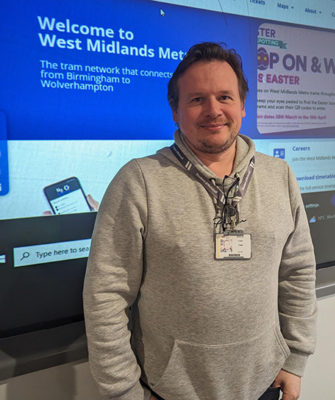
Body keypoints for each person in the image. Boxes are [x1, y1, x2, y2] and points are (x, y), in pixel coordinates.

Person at [83, 42, 317, 400]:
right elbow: (105, 295)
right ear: (175, 110)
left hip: (266, 385)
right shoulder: (139, 181)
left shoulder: (280, 176)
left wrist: (295, 358)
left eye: (225, 97)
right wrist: (123, 392)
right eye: (196, 99)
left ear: (242, 105)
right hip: (169, 392)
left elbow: (297, 271)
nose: (213, 110)